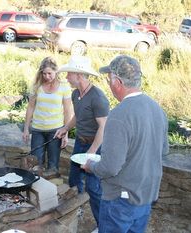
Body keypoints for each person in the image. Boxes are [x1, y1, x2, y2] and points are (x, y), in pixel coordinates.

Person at [83, 55, 169, 233]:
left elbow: (110, 167)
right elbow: (163, 150)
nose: (108, 84)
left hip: (121, 200)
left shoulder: (120, 114)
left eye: (109, 80)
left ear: (118, 82)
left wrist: (91, 165)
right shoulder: (157, 109)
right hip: (145, 195)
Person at [54, 55, 110, 232]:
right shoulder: (75, 93)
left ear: (78, 75)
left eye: (69, 74)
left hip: (96, 146)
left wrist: (91, 154)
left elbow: (103, 128)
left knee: (94, 187)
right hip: (80, 142)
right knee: (74, 179)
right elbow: (77, 117)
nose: (66, 77)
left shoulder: (98, 97)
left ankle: (103, 226)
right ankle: (75, 210)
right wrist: (65, 128)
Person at [23, 57, 72, 173]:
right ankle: (37, 188)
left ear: (56, 72)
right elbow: (30, 107)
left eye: (50, 73)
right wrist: (26, 129)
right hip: (37, 129)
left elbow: (68, 111)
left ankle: (51, 188)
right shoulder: (36, 86)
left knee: (53, 166)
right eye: (44, 73)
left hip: (56, 131)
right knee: (35, 165)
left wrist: (66, 132)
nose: (46, 76)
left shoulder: (64, 86)